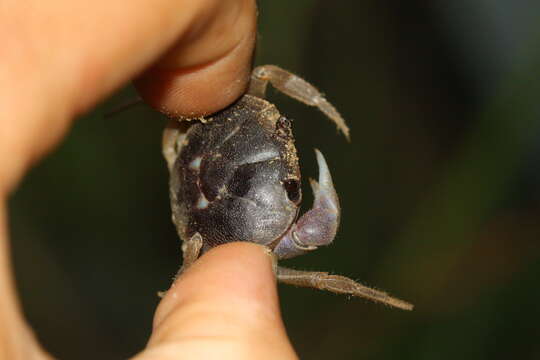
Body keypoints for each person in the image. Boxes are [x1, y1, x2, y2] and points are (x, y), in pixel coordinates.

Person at [0, 0, 298, 358]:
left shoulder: (187, 133)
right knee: (249, 271)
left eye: (279, 129)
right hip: (219, 231)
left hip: (202, 174)